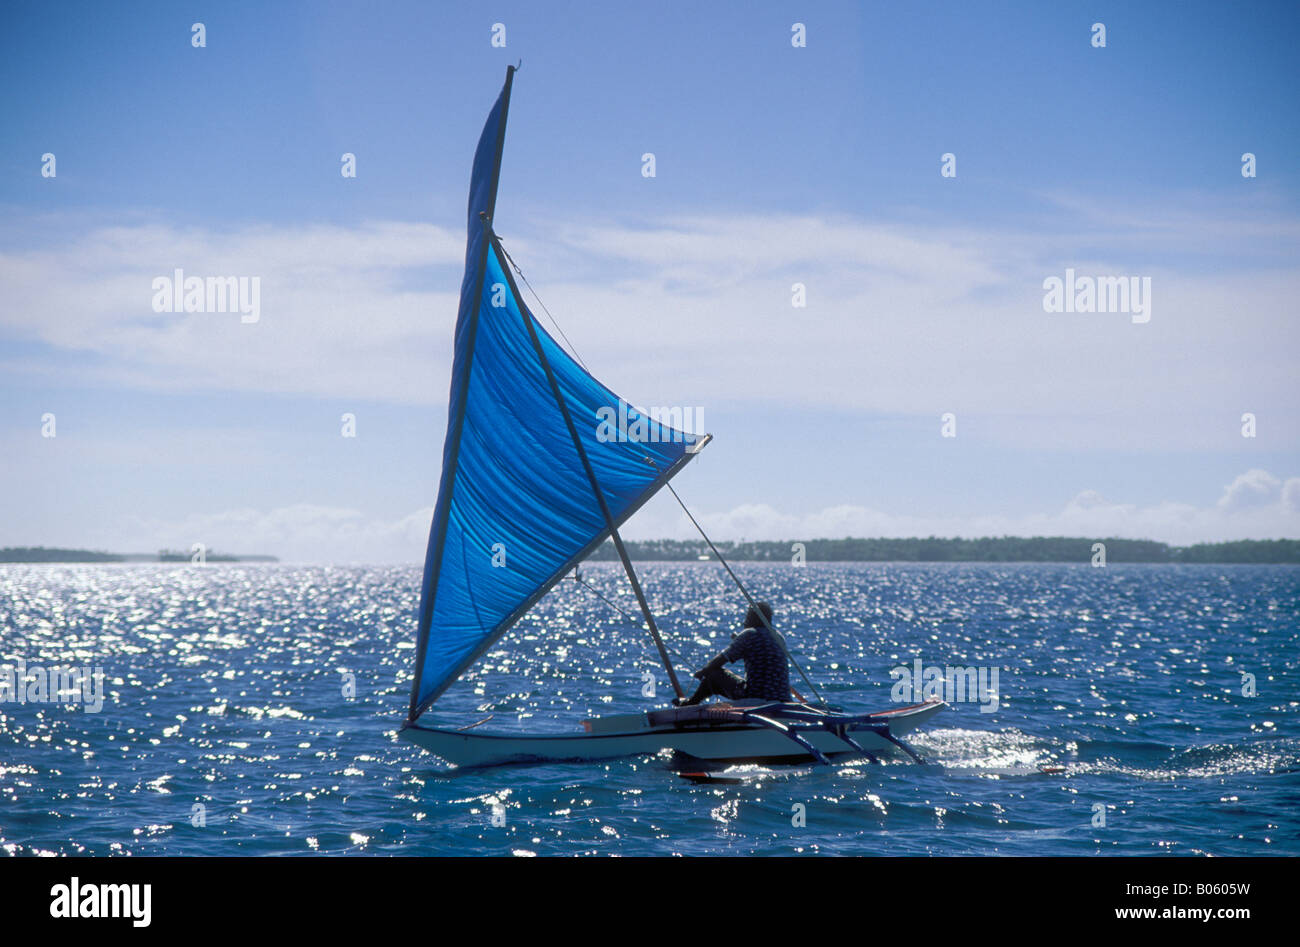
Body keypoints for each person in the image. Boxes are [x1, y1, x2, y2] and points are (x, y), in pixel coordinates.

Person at [674, 601, 792, 705]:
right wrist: (739, 640)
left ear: (753, 618)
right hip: (783, 698)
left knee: (713, 674)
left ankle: (691, 703)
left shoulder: (748, 634)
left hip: (756, 697)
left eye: (747, 617)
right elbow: (761, 651)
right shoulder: (778, 637)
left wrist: (703, 672)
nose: (745, 621)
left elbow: (720, 660)